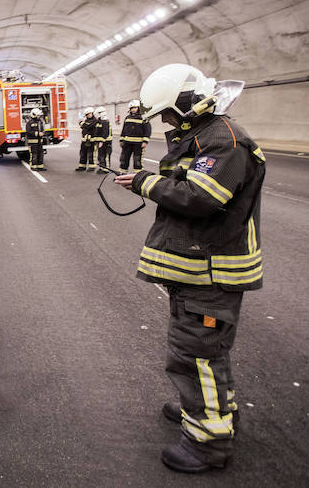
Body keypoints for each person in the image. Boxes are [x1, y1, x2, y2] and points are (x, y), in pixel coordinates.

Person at [113, 63, 265, 474]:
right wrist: (151, 179)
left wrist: (145, 183)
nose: (163, 121)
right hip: (199, 269)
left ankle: (207, 443)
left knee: (197, 355)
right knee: (203, 352)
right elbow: (183, 180)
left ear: (186, 105)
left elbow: (199, 197)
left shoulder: (224, 141)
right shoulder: (203, 135)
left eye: (166, 113)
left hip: (211, 273)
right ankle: (212, 413)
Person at [119, 99, 152, 172]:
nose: (133, 110)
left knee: (137, 160)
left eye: (135, 108)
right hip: (127, 143)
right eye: (131, 108)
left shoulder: (144, 118)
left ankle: (137, 175)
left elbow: (148, 130)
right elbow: (124, 130)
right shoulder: (127, 118)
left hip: (138, 144)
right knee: (124, 158)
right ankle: (122, 173)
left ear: (139, 108)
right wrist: (121, 140)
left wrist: (145, 141)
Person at [75, 107, 98, 171]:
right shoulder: (86, 120)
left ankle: (92, 167)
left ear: (92, 113)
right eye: (87, 114)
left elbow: (89, 127)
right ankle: (82, 166)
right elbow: (85, 128)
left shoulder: (95, 120)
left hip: (92, 141)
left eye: (89, 114)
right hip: (85, 140)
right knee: (82, 153)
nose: (88, 115)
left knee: (91, 154)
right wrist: (83, 125)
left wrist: (81, 123)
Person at [93, 106, 113, 173]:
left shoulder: (105, 122)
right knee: (101, 155)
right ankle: (102, 168)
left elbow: (105, 133)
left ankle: (106, 169)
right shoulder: (100, 121)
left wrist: (101, 141)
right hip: (102, 142)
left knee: (106, 156)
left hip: (106, 142)